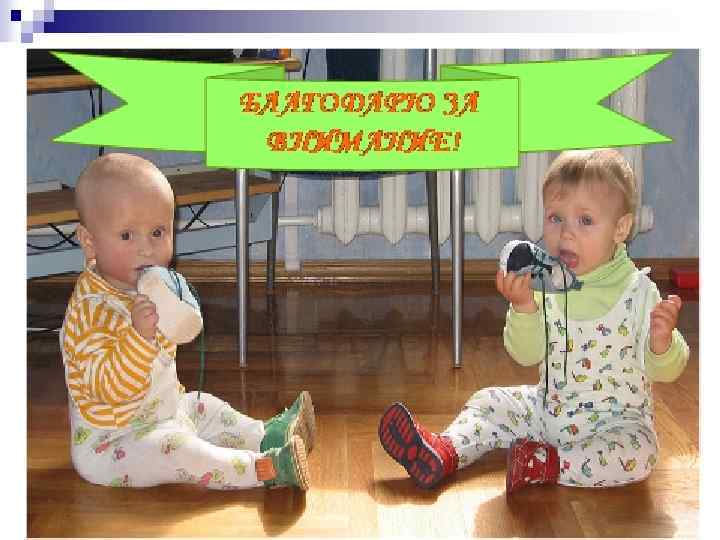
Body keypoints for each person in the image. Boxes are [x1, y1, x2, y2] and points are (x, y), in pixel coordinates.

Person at [378, 148, 689, 494]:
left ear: (621, 228)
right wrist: (524, 306)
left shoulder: (639, 291)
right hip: (546, 411)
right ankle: (445, 450)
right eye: (556, 218)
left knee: (638, 451)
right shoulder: (546, 285)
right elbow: (525, 355)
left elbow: (667, 371)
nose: (566, 234)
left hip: (614, 424)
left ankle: (548, 464)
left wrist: (662, 344)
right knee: (489, 401)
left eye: (585, 221)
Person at [61, 152, 314, 490]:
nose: (146, 249)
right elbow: (109, 389)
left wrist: (178, 312)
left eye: (157, 232)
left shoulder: (147, 285)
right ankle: (263, 469)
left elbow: (171, 346)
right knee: (180, 451)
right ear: (90, 242)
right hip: (116, 442)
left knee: (202, 405)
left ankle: (266, 435)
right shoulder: (90, 311)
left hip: (163, 411)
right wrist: (138, 338)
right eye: (127, 236)